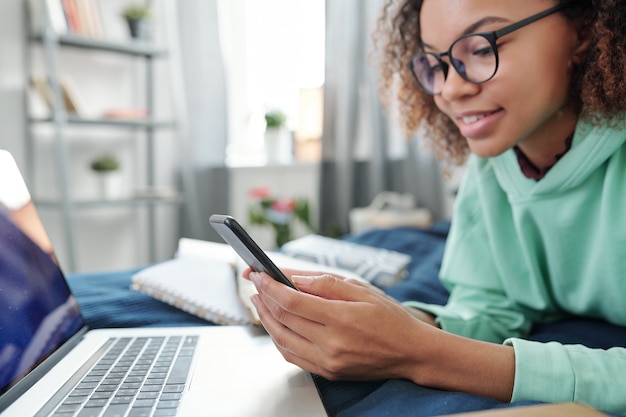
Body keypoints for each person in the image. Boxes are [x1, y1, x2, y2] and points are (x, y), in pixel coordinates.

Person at [244, 0, 626, 414]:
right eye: (436, 63)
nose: (450, 89)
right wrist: (398, 325)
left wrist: (423, 353)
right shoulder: (492, 163)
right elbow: (489, 305)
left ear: (584, 30)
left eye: (481, 49)